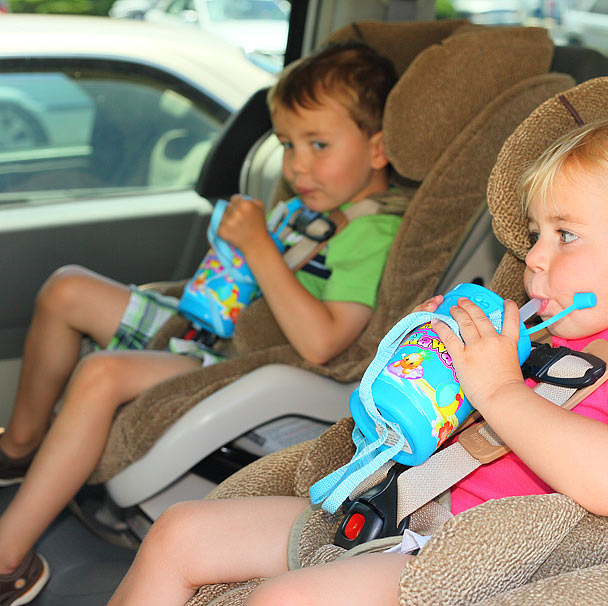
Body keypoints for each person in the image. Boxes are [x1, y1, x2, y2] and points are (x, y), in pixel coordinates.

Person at [107, 112, 608, 606]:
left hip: (460, 558)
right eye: (536, 233)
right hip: (389, 507)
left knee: (286, 599)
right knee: (179, 531)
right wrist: (434, 357)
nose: (535, 256)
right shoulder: (543, 338)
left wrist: (500, 391)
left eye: (565, 236)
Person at [0, 40, 401, 605]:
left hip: (250, 361)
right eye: (288, 145)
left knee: (101, 374)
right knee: (67, 288)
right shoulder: (312, 214)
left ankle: (6, 557)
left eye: (318, 144)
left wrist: (258, 246)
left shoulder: (373, 234)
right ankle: (19, 448)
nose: (297, 166)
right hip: (214, 327)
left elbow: (321, 341)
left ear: (379, 148)